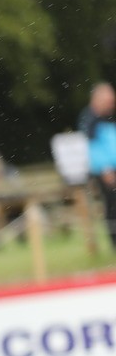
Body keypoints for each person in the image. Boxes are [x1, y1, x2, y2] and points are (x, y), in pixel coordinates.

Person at [80, 82, 116, 247]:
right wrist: (104, 168)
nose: (111, 104)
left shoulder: (107, 116)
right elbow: (92, 147)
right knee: (112, 206)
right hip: (105, 171)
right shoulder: (90, 118)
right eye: (109, 101)